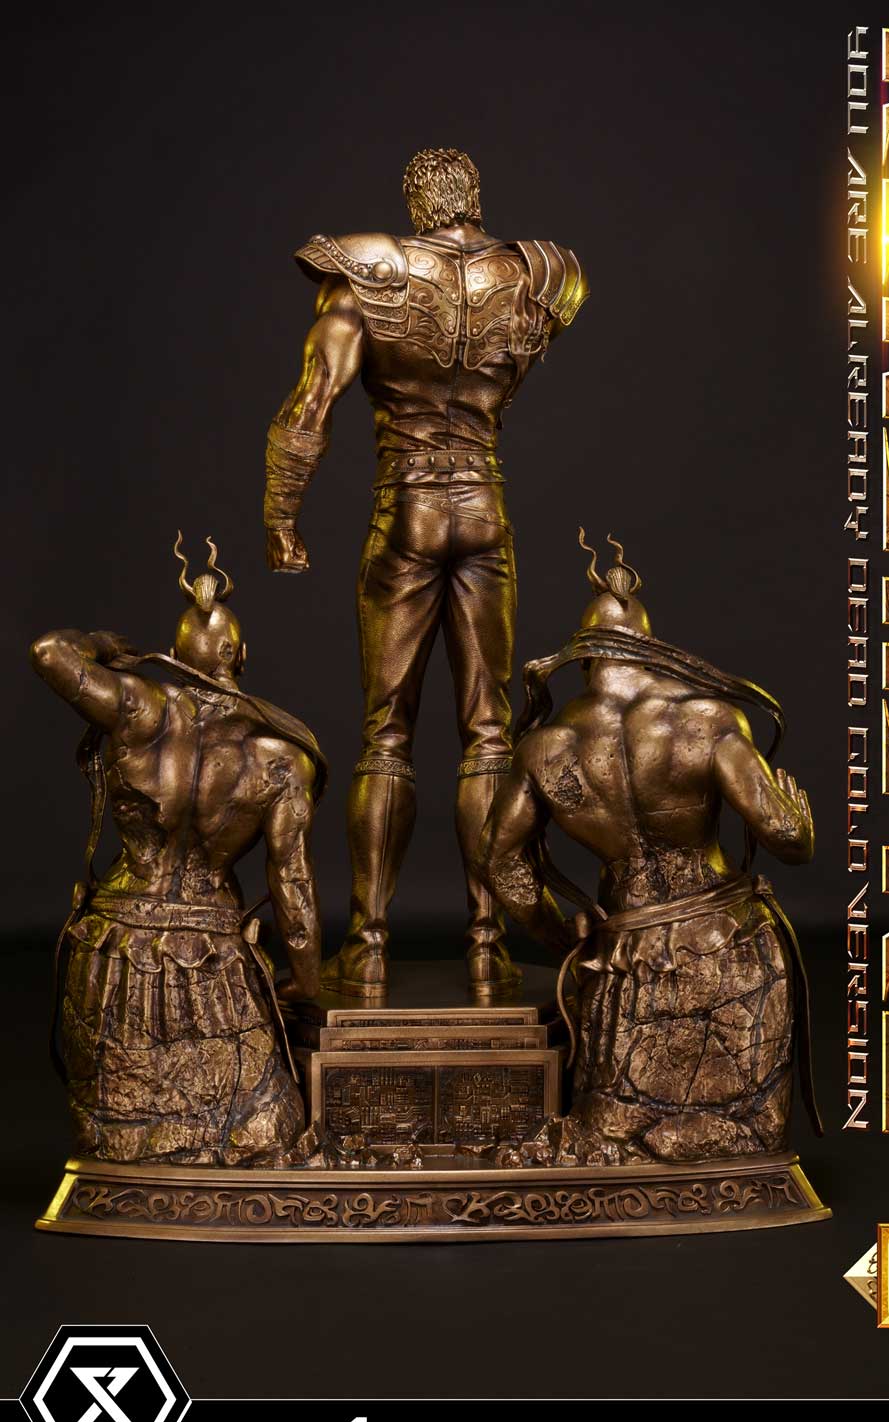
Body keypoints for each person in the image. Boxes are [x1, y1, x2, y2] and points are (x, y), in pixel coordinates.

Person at [262, 147, 588, 1001]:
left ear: (417, 203)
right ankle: (488, 947)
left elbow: (310, 406)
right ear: (474, 198)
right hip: (484, 507)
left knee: (386, 735)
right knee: (489, 732)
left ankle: (368, 946)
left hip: (405, 505)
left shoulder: (365, 275)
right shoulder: (540, 275)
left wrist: (281, 520)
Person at [479, 534, 821, 1164]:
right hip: (729, 949)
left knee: (615, 1131)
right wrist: (801, 820)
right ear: (649, 646)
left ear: (584, 658)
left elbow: (501, 861)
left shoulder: (545, 747)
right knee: (750, 1136)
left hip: (625, 962)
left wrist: (560, 938)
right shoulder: (706, 720)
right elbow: (786, 839)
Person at [31, 536, 326, 1165]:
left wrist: (101, 645)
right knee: (260, 1134)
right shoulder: (281, 760)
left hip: (115, 946)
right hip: (211, 954)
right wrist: (305, 982)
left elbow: (50, 652)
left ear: (177, 652)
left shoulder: (139, 707)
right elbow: (293, 884)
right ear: (239, 656)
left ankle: (131, 1183)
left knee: (120, 1130)